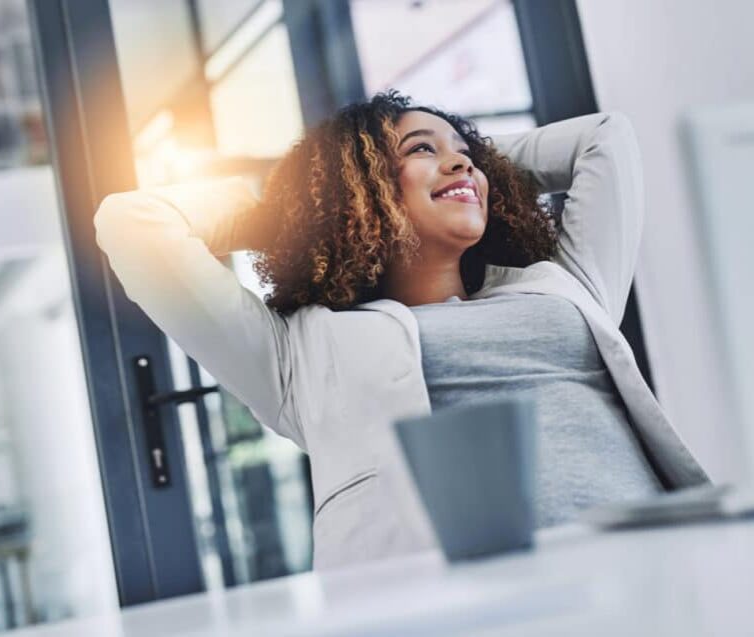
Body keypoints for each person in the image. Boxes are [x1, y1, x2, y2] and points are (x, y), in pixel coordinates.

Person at [94, 91, 709, 570]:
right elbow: (132, 221)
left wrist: (468, 160)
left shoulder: (562, 283)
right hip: (465, 603)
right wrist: (288, 211)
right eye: (419, 149)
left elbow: (604, 139)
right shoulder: (297, 355)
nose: (461, 159)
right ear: (356, 188)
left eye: (465, 150)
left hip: (649, 557)